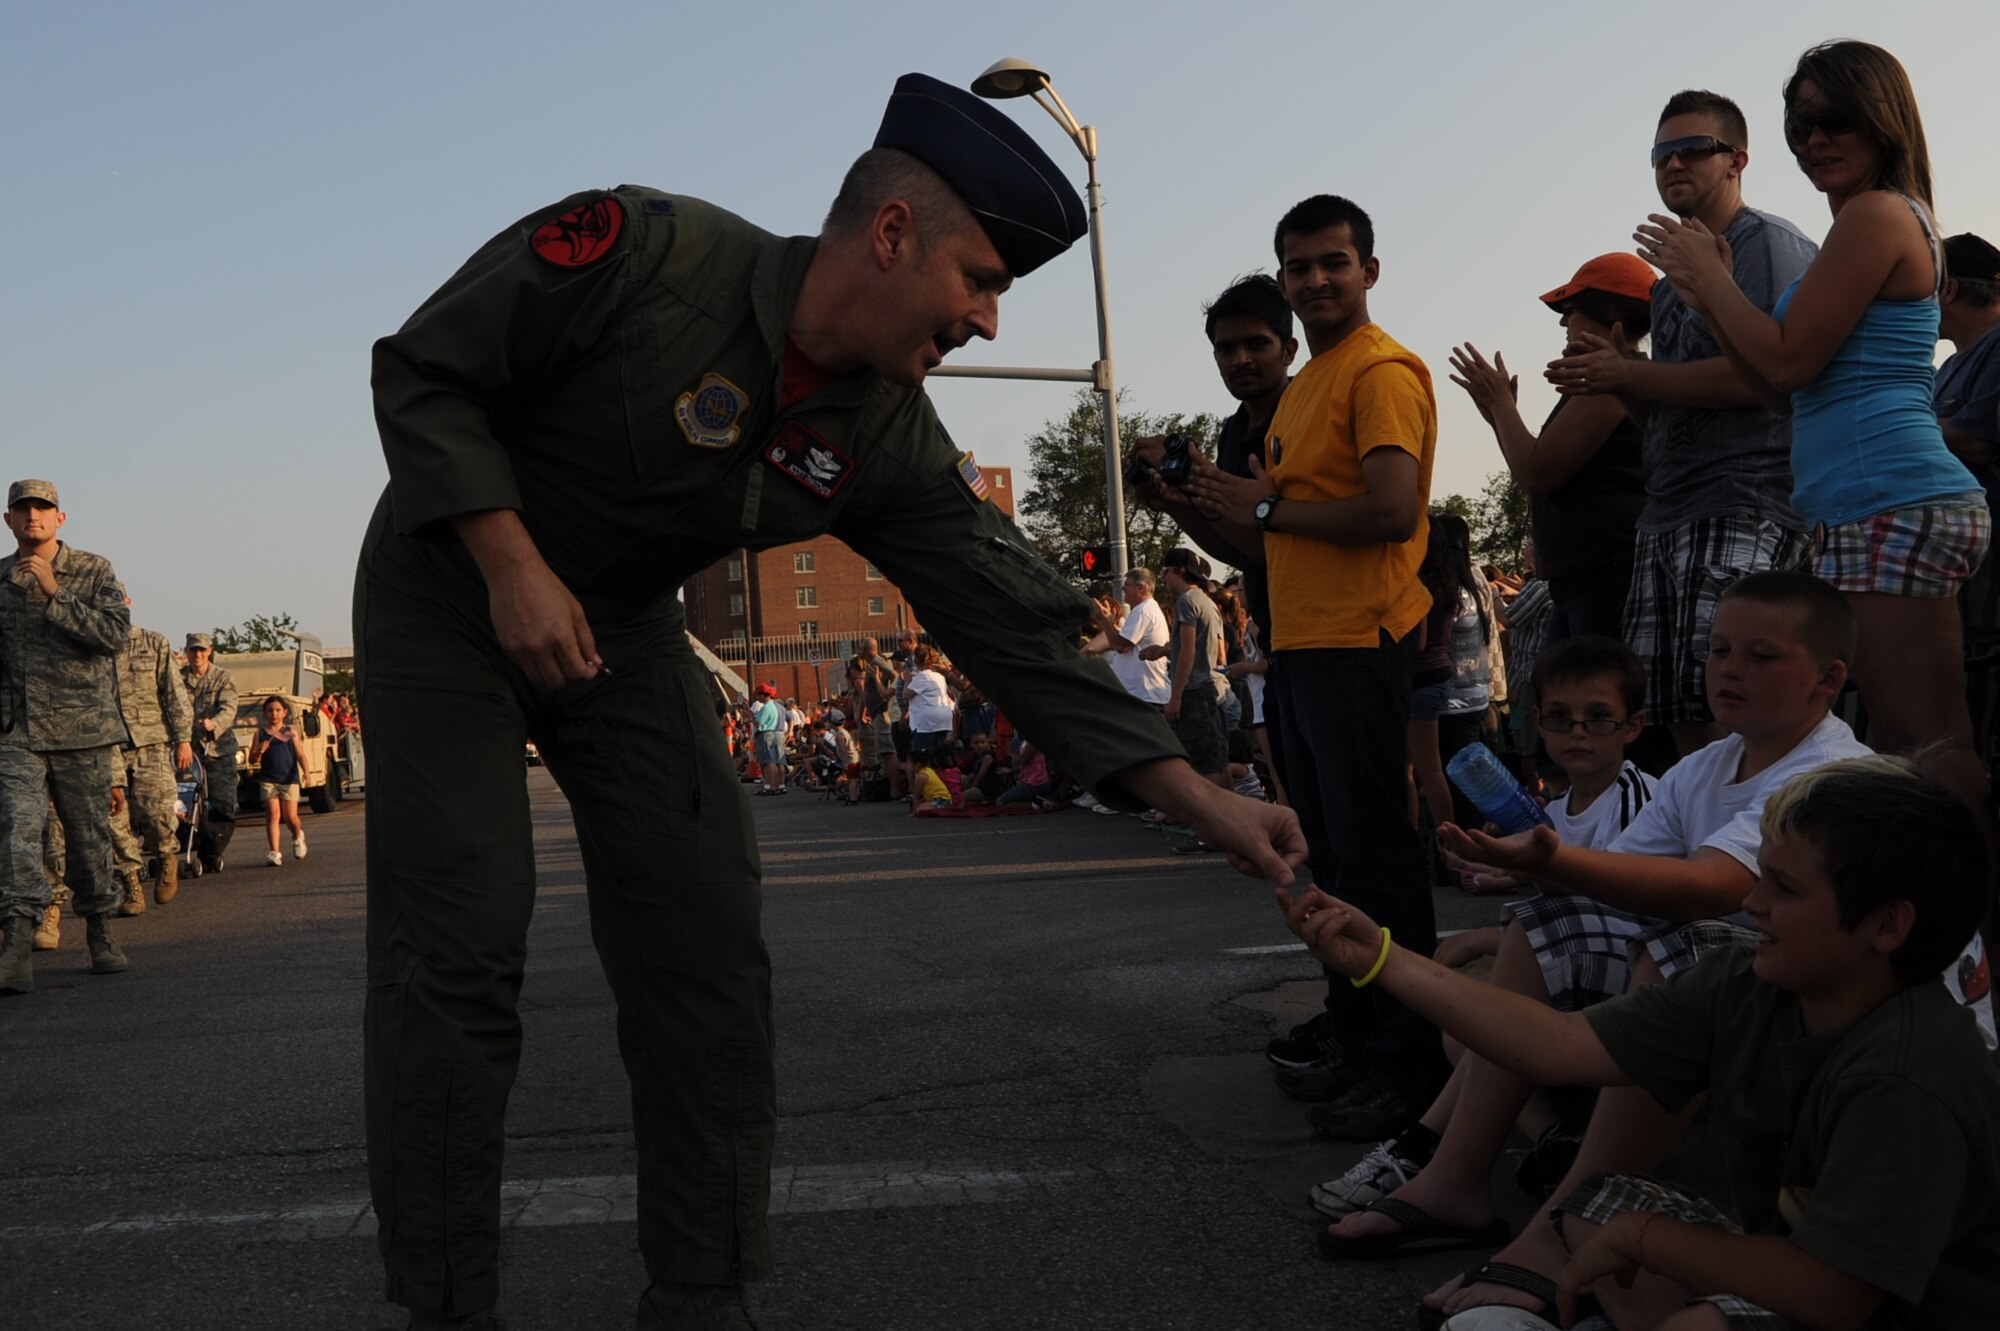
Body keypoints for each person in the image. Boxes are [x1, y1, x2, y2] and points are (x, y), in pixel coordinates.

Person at [358, 72, 1303, 1331]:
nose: (981, 318)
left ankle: (699, 1291)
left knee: (702, 939)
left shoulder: (889, 431)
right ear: (892, 232)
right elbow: (424, 371)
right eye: (977, 278)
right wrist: (511, 563)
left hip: (624, 625)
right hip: (450, 581)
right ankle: (442, 1302)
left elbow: (1008, 628)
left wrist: (1197, 796)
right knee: (461, 950)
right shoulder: (645, 249)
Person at [1284, 755, 2000, 1331]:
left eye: (1782, 887)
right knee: (1595, 1201)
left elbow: (1835, 1296)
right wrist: (1382, 957)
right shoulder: (1750, 986)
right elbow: (1559, 1043)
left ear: (1886, 926)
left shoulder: (1909, 1073)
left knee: (1667, 1277)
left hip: (1888, 1309)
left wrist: (1644, 1239)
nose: (1751, 904)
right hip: (1808, 1271)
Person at [1375, 572, 1871, 1325]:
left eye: (1761, 655)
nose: (1729, 669)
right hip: (1764, 992)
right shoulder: (1708, 764)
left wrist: (1545, 860)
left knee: (1689, 947)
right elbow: (1611, 887)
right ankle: (1456, 1178)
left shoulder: (1829, 774)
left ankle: (1556, 1229)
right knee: (1546, 925)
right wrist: (1525, 882)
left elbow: (1711, 888)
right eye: (1718, 649)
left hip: (1839, 1022)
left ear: (1829, 679)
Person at [1642, 40, 1990, 840]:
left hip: (1891, 496)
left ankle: (1969, 947)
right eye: (1799, 126)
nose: (1814, 142)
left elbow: (1790, 362)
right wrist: (1709, 296)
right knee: (1904, 745)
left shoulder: (1875, 216)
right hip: (1870, 500)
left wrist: (1715, 283)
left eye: (1835, 121)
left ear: (1884, 121)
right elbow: (1775, 388)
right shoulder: (1870, 223)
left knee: (1926, 742)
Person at [1183, 193, 1444, 1142]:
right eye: (1300, 267)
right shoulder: (1303, 389)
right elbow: (1260, 541)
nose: (1317, 280)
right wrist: (1197, 502)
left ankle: (1409, 1067)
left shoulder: (1379, 370)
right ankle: (1357, 1033)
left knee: (1376, 856)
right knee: (1327, 857)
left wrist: (1258, 508)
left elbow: (1391, 509)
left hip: (1359, 642)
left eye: (1333, 263)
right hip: (1299, 648)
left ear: (1369, 270)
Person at [1310, 635, 1655, 1230]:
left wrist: (1487, 933)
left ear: (1633, 726)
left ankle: (1420, 1149)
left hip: (1635, 986)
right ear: (1536, 722)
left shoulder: (1639, 799)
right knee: (1460, 1034)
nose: (1578, 733)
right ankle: (1555, 1136)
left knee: (1489, 1003)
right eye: (1559, 718)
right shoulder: (1554, 809)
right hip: (1585, 978)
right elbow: (1568, 911)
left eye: (1598, 718)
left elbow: (1618, 916)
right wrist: (1510, 875)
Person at [1547, 89, 1819, 757]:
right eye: (1661, 154)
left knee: (1739, 709)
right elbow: (1668, 408)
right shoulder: (1667, 284)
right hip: (1669, 513)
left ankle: (1756, 856)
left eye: (1693, 149)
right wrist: (1615, 377)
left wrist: (1627, 376)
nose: (1674, 164)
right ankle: (1706, 855)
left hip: (1746, 499)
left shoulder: (1768, 246)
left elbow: (1765, 377)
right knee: (1680, 714)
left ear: (1737, 161)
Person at [1450, 254, 1653, 643]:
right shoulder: (1614, 380)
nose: (1563, 321)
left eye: (1571, 309)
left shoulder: (1612, 383)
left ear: (1608, 312)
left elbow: (1537, 473)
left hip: (1603, 580)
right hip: (1587, 578)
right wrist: (1499, 417)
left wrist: (1501, 406)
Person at [0, 479, 134, 994]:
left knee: (87, 839)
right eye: (22, 509)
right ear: (8, 520)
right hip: (17, 734)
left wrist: (56, 593)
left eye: (42, 508)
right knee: (17, 832)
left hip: (82, 731)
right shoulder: (0, 578)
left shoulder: (94, 570)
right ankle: (15, 940)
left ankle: (100, 930)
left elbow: (114, 637)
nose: (33, 515)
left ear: (61, 518)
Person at [109, 598, 195, 912]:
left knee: (156, 814)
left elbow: (174, 692)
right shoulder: (91, 649)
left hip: (151, 743)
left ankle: (167, 856)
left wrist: (183, 738)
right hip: (109, 747)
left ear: (127, 602)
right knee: (115, 823)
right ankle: (131, 888)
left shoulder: (153, 642)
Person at [1143, 549, 1228, 791]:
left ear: (1180, 571)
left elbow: (1189, 651)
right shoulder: (1207, 602)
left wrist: (1176, 697)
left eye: (1166, 572)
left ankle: (1212, 821)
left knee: (1203, 764)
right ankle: (1229, 816)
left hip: (1195, 691)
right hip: (1213, 689)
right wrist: (1166, 651)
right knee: (1218, 760)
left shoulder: (1186, 601)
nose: (1165, 578)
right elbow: (1211, 652)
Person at [1088, 567, 1170, 708]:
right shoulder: (1145, 610)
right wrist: (1107, 620)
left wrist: (1104, 620)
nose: (1123, 589)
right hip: (1143, 694)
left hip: (1144, 695)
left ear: (1140, 588)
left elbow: (1120, 646)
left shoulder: (1143, 611)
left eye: (1127, 585)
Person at [181, 632, 239, 829]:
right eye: (193, 650)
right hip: (188, 752)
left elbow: (229, 707)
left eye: (202, 650)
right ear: (186, 652)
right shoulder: (177, 679)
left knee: (224, 805)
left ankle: (213, 850)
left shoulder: (223, 677)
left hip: (218, 750)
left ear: (210, 652)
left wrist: (214, 723)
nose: (198, 654)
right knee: (184, 803)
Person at [248, 695, 309, 867]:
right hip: (268, 779)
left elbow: (300, 755)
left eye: (277, 710)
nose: (274, 713)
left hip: (289, 779)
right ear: (264, 713)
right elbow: (252, 759)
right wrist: (259, 750)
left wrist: (307, 773)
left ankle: (297, 836)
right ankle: (274, 852)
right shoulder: (259, 734)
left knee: (290, 817)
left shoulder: (290, 733)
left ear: (284, 713)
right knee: (272, 814)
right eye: (270, 710)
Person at [902, 643, 955, 754]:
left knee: (921, 756)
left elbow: (906, 694)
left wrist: (907, 680)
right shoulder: (939, 675)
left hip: (927, 723)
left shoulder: (923, 676)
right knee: (939, 755)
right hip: (943, 721)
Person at [750, 683, 788, 796]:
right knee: (779, 761)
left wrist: (751, 718)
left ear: (763, 695)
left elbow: (759, 722)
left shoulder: (766, 707)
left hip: (767, 734)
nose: (757, 697)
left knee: (769, 761)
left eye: (758, 695)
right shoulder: (780, 706)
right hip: (779, 733)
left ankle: (769, 786)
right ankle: (780, 785)